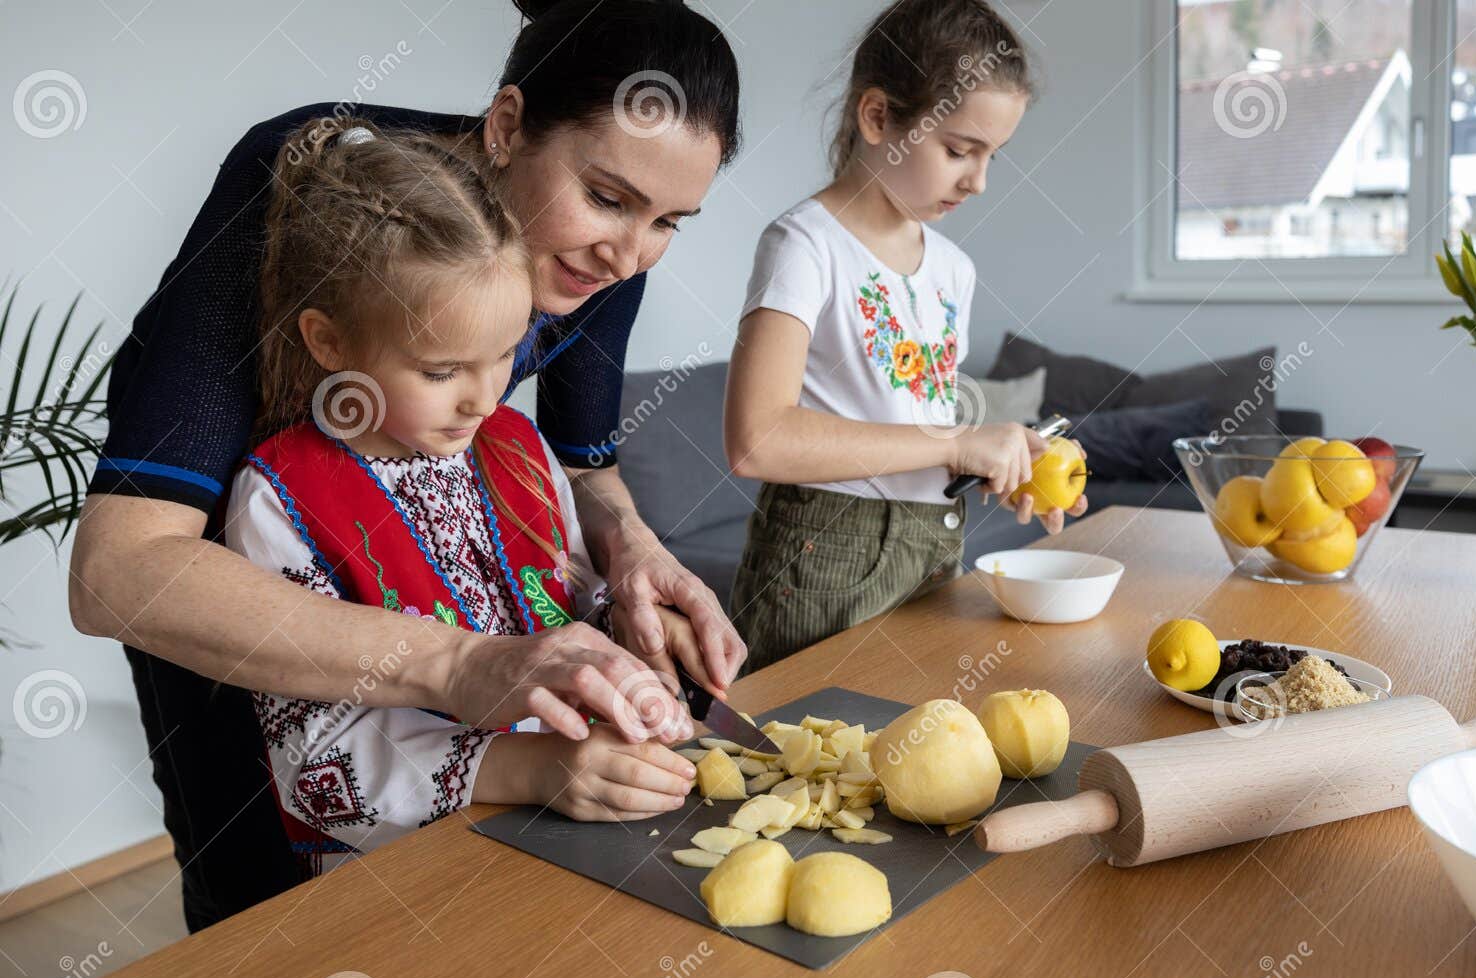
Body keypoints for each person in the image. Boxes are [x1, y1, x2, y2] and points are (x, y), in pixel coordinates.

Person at [68, 0, 744, 928]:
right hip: (232, 595)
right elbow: (121, 572)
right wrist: (463, 664)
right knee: (268, 902)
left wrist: (633, 557)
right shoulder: (300, 192)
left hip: (453, 657)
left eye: (672, 221)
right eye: (608, 198)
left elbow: (586, 474)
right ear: (506, 126)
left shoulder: (605, 256)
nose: (630, 256)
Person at [230, 118, 704, 877]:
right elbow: (316, 766)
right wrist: (535, 771)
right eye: (444, 370)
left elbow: (572, 608)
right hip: (410, 875)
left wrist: (634, 671)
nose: (484, 399)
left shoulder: (515, 444)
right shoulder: (280, 500)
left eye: (505, 354)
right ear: (330, 341)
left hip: (581, 832)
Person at [723, 0, 1086, 673]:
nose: (978, 181)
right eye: (958, 150)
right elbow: (757, 438)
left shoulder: (955, 269)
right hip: (824, 559)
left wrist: (990, 464)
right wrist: (953, 440)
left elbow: (905, 427)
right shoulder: (805, 246)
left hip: (934, 544)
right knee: (805, 760)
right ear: (878, 117)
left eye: (991, 157)